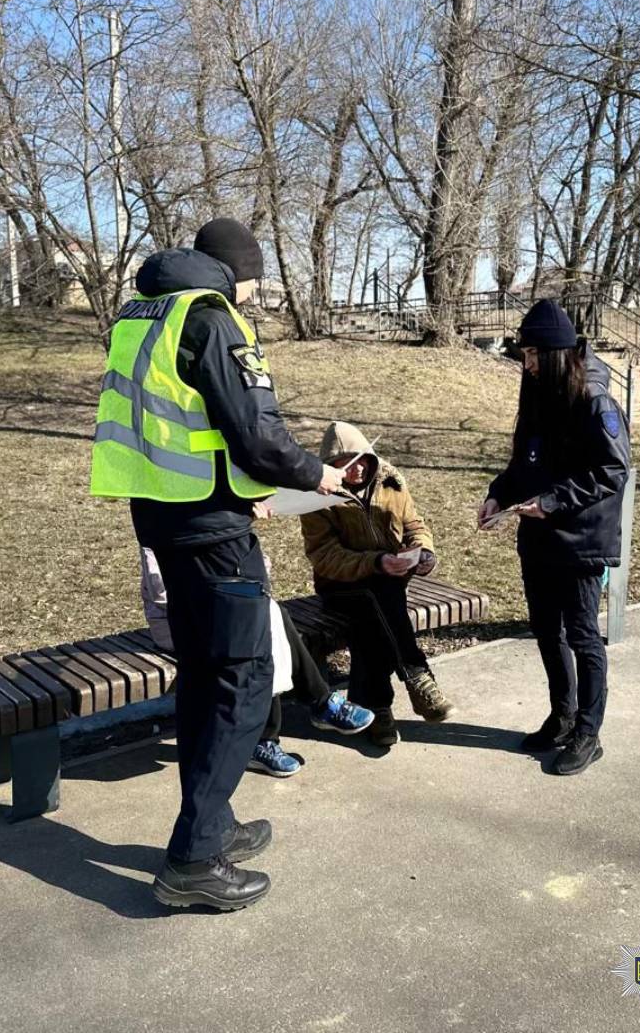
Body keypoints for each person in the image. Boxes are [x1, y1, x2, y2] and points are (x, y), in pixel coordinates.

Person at [90, 218, 345, 911]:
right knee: (244, 678)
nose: (256, 293)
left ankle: (216, 820)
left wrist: (243, 487)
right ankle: (195, 858)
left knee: (204, 673)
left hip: (165, 515)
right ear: (240, 272)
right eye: (256, 280)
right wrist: (317, 475)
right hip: (212, 532)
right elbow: (257, 434)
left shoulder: (143, 314)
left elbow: (183, 422)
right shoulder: (212, 318)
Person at [479, 298, 630, 776]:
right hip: (539, 538)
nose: (525, 363)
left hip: (581, 540)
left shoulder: (594, 399)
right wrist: (498, 495)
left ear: (555, 353)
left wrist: (552, 501)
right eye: (524, 354)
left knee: (583, 636)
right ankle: (562, 716)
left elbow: (613, 470)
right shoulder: (538, 393)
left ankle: (588, 731)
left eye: (531, 354)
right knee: (546, 630)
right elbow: (524, 463)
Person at [139, 544, 375, 779]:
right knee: (261, 621)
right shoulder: (162, 526)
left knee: (266, 615)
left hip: (228, 611)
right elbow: (162, 592)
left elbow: (257, 565)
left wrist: (243, 580)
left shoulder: (221, 523)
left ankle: (267, 738)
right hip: (179, 623)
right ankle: (314, 707)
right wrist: (225, 592)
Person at [300, 421, 454, 747]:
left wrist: (423, 552)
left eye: (359, 461)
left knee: (372, 622)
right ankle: (416, 674)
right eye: (342, 465)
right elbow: (323, 555)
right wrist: (376, 562)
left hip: (390, 580)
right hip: (339, 585)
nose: (354, 470)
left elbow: (414, 525)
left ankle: (374, 708)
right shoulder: (317, 495)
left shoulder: (391, 481)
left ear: (369, 456)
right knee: (378, 597)